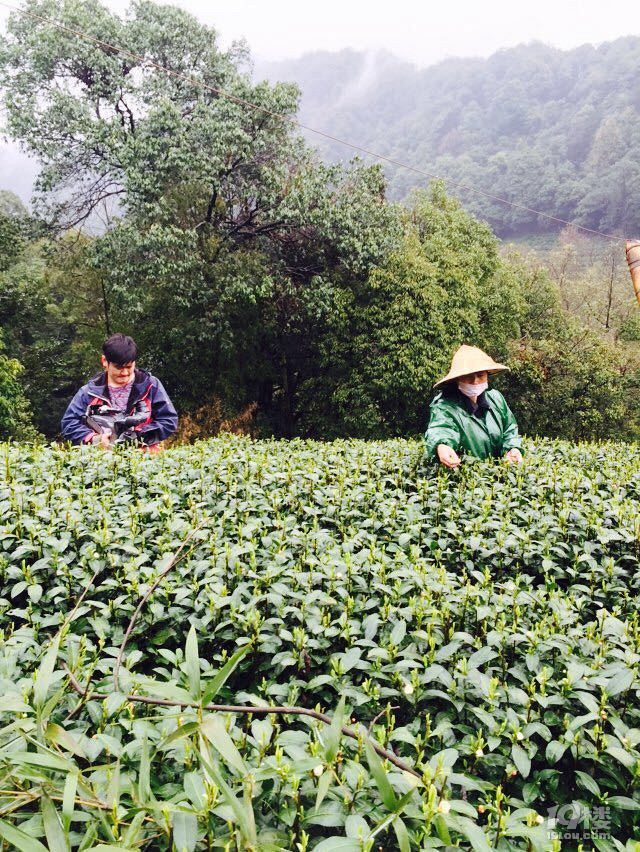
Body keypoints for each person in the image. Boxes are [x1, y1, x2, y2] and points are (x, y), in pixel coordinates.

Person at [61, 333, 178, 450]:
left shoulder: (151, 385)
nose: (125, 373)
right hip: (103, 460)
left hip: (145, 460)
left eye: (129, 367)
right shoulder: (88, 392)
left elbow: (168, 420)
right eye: (119, 367)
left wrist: (139, 436)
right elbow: (69, 423)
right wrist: (95, 439)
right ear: (104, 361)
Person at [424, 344, 523, 469]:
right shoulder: (445, 406)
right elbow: (441, 428)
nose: (475, 381)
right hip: (467, 480)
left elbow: (510, 429)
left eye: (480, 375)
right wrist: (442, 446)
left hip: (499, 478)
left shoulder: (496, 399)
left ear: (487, 375)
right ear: (458, 378)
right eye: (468, 376)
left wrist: (513, 448)